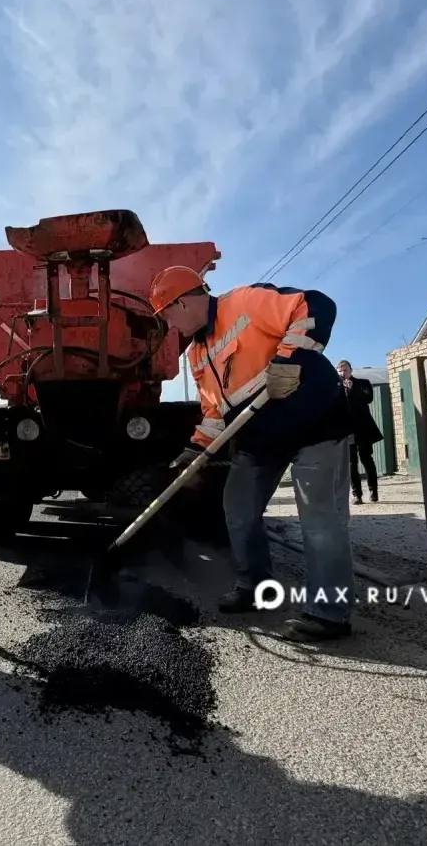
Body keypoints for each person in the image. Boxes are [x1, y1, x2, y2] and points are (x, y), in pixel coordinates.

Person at [150, 265, 356, 642]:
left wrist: (290, 359)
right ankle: (256, 587)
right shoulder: (196, 355)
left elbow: (316, 306)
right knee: (238, 509)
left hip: (316, 424)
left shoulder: (244, 302)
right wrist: (194, 450)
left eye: (167, 316)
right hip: (260, 440)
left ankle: (329, 614)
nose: (169, 327)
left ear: (182, 303)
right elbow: (215, 413)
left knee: (320, 521)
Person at [337, 360, 383, 504]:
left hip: (363, 428)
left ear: (351, 370)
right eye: (340, 370)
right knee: (351, 463)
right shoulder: (336, 387)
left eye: (345, 370)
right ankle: (357, 494)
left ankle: (373, 491)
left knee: (367, 459)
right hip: (348, 430)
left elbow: (368, 398)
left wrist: (352, 390)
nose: (343, 373)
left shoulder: (363, 383)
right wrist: (344, 391)